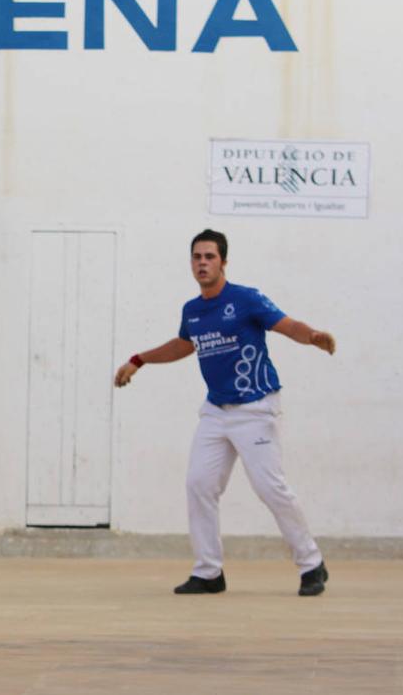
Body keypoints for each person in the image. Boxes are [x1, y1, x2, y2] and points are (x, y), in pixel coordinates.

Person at [114, 229, 334, 597]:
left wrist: (311, 336)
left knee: (270, 488)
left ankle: (312, 563)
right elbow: (183, 345)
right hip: (216, 411)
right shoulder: (193, 310)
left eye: (209, 257)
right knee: (199, 484)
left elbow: (286, 324)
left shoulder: (245, 299)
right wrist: (139, 360)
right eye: (197, 257)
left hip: (255, 408)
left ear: (223, 262)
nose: (202, 263)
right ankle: (208, 572)